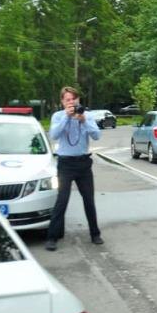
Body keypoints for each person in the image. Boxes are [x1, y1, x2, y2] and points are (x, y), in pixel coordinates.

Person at [46, 86, 103, 251]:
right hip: (65, 164)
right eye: (68, 100)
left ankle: (95, 234)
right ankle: (52, 237)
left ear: (78, 100)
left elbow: (97, 136)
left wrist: (83, 121)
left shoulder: (87, 115)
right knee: (62, 200)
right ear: (63, 102)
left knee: (89, 200)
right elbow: (54, 135)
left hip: (83, 163)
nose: (71, 102)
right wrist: (66, 117)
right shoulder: (58, 116)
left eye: (74, 99)